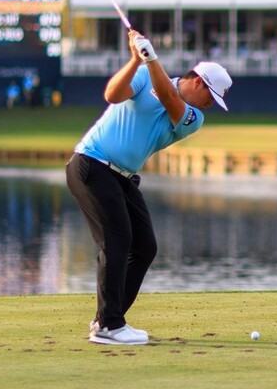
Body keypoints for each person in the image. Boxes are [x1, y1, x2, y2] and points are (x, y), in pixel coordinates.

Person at [66, 29, 232, 345]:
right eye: (211, 97)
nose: (211, 105)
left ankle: (108, 320)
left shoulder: (194, 117)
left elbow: (169, 97)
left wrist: (150, 57)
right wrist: (134, 60)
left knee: (144, 246)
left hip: (122, 176)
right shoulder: (143, 75)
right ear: (198, 82)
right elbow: (112, 95)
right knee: (117, 240)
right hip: (92, 163)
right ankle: (109, 326)